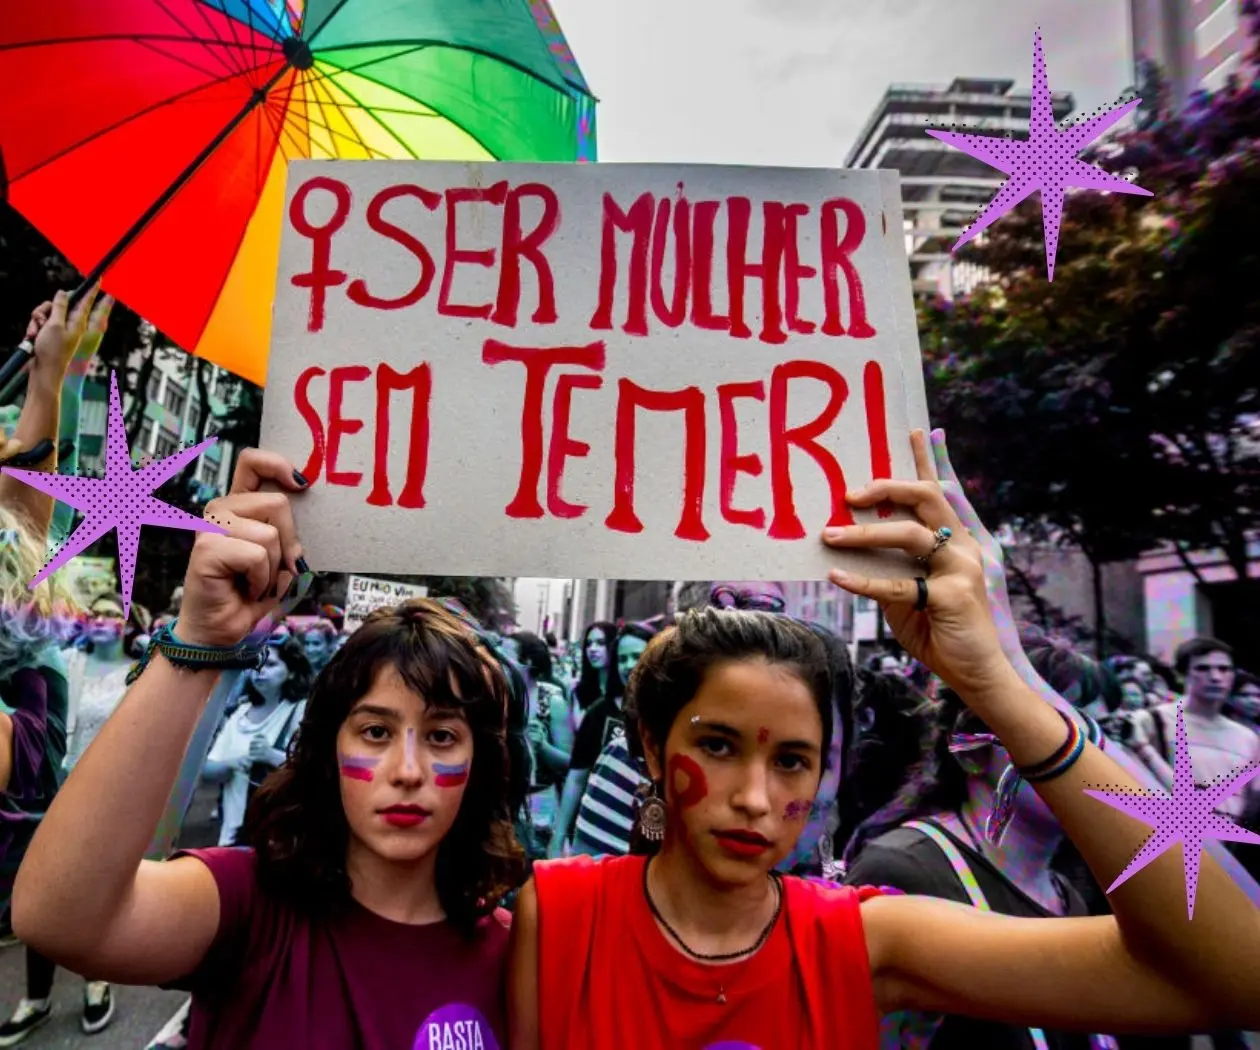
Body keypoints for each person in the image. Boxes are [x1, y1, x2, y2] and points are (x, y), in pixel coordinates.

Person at [506, 430, 1260, 1049]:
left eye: (793, 759)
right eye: (719, 746)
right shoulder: (556, 914)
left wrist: (1004, 679)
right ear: (649, 745)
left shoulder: (867, 941)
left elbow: (1237, 974)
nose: (756, 798)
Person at [12, 450, 526, 1049]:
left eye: (441, 736)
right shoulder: (248, 907)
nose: (407, 771)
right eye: (375, 731)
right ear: (328, 748)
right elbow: (60, 918)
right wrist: (202, 635)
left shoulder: (520, 957)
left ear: (480, 762)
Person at [200, 632, 312, 846]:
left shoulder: (300, 711)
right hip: (232, 835)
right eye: (255, 664)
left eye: (271, 664)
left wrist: (271, 756)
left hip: (280, 839)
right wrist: (232, 765)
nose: (260, 670)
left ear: (291, 672)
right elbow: (207, 771)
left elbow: (315, 770)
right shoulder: (240, 712)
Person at [551, 622, 653, 857]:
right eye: (622, 659)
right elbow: (576, 778)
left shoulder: (671, 716)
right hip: (596, 844)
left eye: (637, 656)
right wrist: (558, 839)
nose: (629, 665)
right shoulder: (598, 713)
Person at [517, 632, 572, 856]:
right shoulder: (497, 695)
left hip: (539, 802)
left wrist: (543, 747)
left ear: (527, 662)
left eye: (506, 653)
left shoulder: (552, 701)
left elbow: (570, 763)